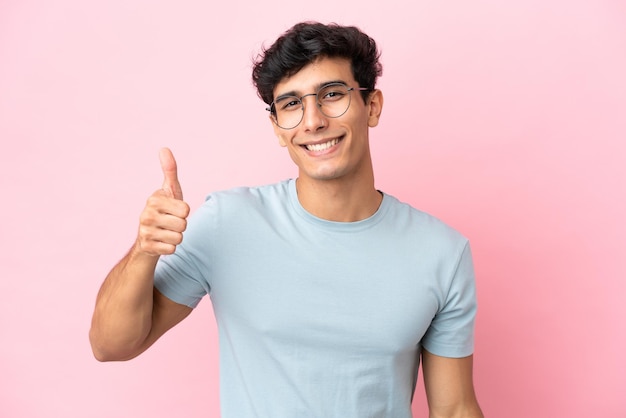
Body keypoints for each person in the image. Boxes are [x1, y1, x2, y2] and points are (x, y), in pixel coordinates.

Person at [89, 21, 484, 418]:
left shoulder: (442, 252)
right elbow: (111, 346)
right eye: (291, 104)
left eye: (332, 95)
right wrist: (144, 251)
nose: (312, 121)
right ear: (277, 127)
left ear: (373, 106)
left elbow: (454, 408)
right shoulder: (227, 223)